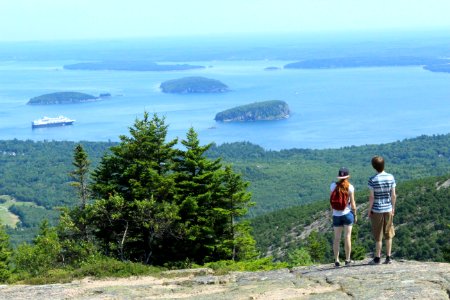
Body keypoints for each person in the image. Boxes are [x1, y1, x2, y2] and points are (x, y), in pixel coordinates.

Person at [368, 156, 397, 265]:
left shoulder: (372, 179)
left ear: (374, 166)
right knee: (388, 233)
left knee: (378, 235)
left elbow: (372, 197)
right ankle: (388, 257)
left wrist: (369, 210)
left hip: (377, 210)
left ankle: (377, 258)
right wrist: (393, 207)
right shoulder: (391, 177)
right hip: (388, 208)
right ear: (384, 165)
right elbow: (393, 195)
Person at [330, 167, 357, 267]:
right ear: (348, 176)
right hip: (347, 214)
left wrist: (331, 213)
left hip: (336, 215)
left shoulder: (333, 186)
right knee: (347, 237)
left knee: (336, 238)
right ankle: (347, 259)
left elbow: (331, 202)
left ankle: (336, 260)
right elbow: (353, 204)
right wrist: (355, 214)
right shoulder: (350, 187)